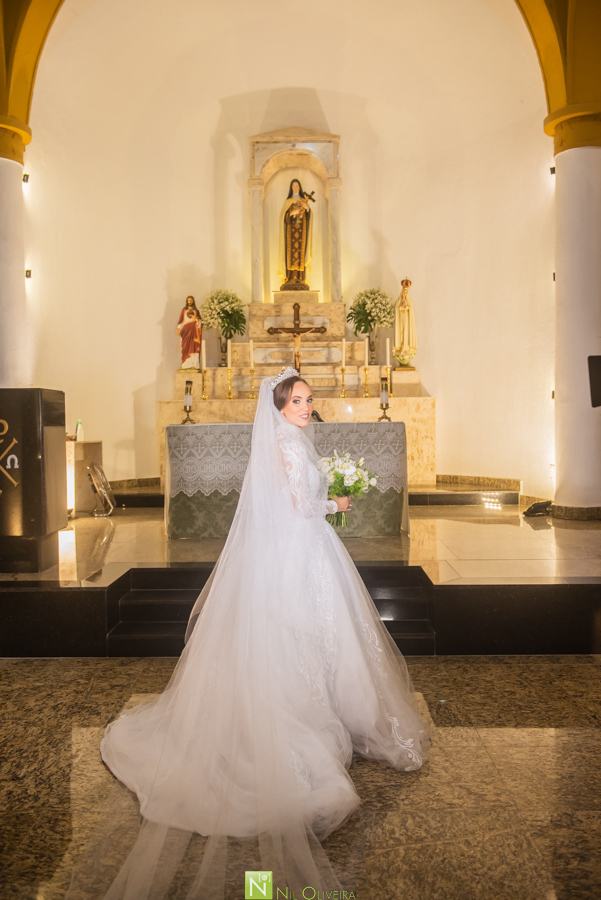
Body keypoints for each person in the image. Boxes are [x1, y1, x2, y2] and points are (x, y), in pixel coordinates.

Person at [98, 367, 429, 899]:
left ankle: (323, 706)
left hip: (288, 552)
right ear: (277, 407)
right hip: (303, 550)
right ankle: (321, 713)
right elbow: (301, 507)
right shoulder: (292, 447)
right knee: (315, 633)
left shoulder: (281, 442)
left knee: (305, 635)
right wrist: (337, 504)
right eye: (297, 399)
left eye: (307, 398)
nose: (306, 405)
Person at [278, 179, 313, 289]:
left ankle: (300, 278)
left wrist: (307, 208)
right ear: (291, 188)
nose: (295, 188)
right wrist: (292, 212)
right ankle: (290, 278)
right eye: (293, 186)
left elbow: (309, 216)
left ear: (300, 187)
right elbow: (283, 216)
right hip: (290, 232)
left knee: (301, 253)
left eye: (297, 186)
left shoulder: (303, 200)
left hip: (302, 232)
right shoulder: (288, 201)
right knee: (290, 253)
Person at [393, 278, 417, 367]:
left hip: (407, 322)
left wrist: (407, 307)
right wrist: (401, 306)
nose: (404, 294)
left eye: (406, 293)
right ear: (401, 293)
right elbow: (396, 309)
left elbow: (411, 311)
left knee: (407, 334)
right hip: (401, 322)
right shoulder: (398, 302)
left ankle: (407, 347)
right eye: (403, 292)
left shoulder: (410, 302)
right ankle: (401, 347)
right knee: (401, 334)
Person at [176, 295, 202, 369]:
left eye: (191, 300)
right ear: (187, 301)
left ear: (193, 301)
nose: (190, 302)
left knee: (194, 347)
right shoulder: (184, 311)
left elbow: (200, 322)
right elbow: (181, 321)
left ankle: (194, 364)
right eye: (188, 300)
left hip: (194, 332)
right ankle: (185, 365)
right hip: (186, 332)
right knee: (185, 348)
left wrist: (197, 320)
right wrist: (178, 328)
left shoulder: (196, 311)